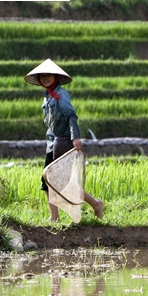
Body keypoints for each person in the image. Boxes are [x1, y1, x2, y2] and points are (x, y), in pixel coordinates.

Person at [24, 59, 104, 222]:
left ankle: (95, 204)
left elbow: (71, 116)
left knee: (62, 182)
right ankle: (54, 217)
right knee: (47, 180)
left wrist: (75, 137)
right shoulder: (47, 97)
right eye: (42, 75)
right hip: (52, 143)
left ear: (56, 77)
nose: (45, 77)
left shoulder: (61, 95)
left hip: (63, 142)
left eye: (48, 75)